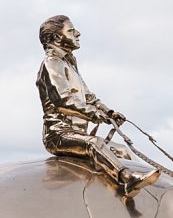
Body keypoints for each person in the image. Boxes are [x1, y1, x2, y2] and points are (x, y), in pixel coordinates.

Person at [35, 15, 159, 198]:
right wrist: (95, 115)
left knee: (122, 150)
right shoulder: (51, 63)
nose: (78, 33)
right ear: (55, 38)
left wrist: (108, 112)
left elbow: (90, 98)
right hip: (59, 134)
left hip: (79, 132)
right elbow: (63, 100)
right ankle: (127, 178)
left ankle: (147, 189)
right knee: (95, 143)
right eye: (70, 31)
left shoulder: (68, 64)